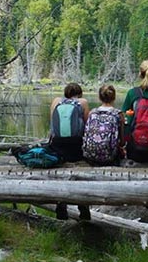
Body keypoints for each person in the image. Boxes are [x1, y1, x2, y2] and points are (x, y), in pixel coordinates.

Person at [49, 83, 91, 220]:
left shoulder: (56, 101)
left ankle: (61, 204)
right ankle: (83, 206)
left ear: (65, 93)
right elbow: (87, 125)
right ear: (80, 93)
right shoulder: (82, 102)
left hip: (57, 145)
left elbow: (53, 125)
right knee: (80, 174)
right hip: (75, 146)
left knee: (60, 171)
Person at [83, 84, 124, 165]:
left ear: (99, 98)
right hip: (109, 156)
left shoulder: (92, 113)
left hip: (90, 155)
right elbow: (122, 141)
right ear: (114, 97)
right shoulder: (118, 114)